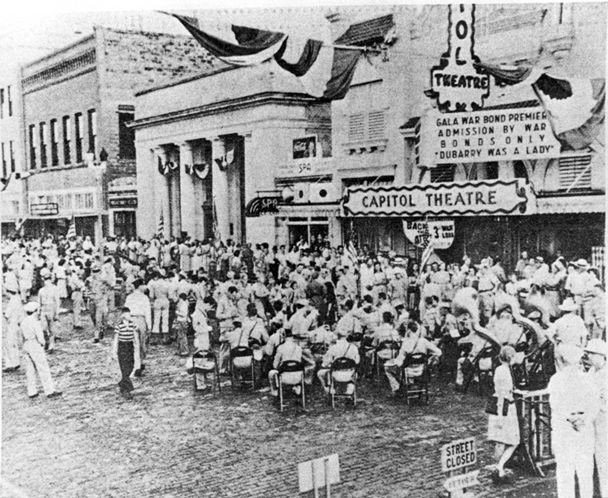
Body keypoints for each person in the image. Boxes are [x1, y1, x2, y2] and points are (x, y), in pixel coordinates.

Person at [549, 344, 600, 498]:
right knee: (585, 473)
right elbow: (595, 404)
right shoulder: (588, 379)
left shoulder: (556, 379)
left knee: (565, 474)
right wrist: (584, 418)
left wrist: (570, 418)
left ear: (560, 360)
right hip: (584, 427)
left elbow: (555, 405)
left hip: (565, 428)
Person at [487, 345, 520, 482]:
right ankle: (499, 466)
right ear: (510, 357)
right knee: (513, 441)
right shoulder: (504, 371)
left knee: (500, 441)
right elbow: (502, 394)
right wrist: (501, 416)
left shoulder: (501, 369)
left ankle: (497, 467)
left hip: (500, 407)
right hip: (505, 409)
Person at [384, 321, 442, 397]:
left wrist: (392, 362)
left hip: (408, 370)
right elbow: (439, 352)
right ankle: (409, 384)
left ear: (408, 330)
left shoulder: (406, 342)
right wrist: (430, 360)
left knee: (387, 368)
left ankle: (396, 389)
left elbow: (400, 360)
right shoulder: (423, 341)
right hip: (422, 369)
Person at [20, 302, 62, 399]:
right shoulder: (35, 322)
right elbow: (40, 338)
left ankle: (32, 391)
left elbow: (21, 336)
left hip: (26, 344)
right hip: (35, 344)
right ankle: (49, 390)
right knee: (43, 368)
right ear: (35, 311)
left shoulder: (23, 322)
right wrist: (43, 345)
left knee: (30, 369)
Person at [584, 339, 607, 497]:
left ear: (602, 356)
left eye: (592, 354)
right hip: (592, 422)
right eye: (589, 354)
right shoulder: (591, 372)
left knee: (604, 458)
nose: (589, 357)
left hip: (604, 420)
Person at [316, 328, 360, 394]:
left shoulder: (334, 347)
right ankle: (349, 389)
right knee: (353, 374)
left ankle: (329, 389)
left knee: (320, 373)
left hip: (336, 374)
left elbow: (325, 363)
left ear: (337, 336)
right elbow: (357, 361)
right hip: (350, 374)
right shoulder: (354, 347)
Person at [112, 307, 141, 399]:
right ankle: (126, 389)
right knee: (124, 367)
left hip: (130, 346)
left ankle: (122, 383)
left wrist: (137, 346)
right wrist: (114, 350)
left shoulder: (132, 324)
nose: (129, 316)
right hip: (122, 347)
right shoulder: (119, 326)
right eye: (127, 314)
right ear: (123, 316)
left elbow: (135, 335)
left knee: (131, 365)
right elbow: (116, 338)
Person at [124, 279, 151, 375]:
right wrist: (149, 325)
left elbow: (125, 311)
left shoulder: (129, 297)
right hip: (141, 320)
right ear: (140, 286)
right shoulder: (144, 298)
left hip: (131, 320)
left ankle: (137, 364)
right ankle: (141, 362)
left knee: (134, 343)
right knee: (142, 342)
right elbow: (148, 312)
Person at [268, 326, 303, 398]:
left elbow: (275, 365)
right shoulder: (299, 348)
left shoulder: (281, 348)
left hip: (285, 377)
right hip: (298, 377)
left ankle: (275, 390)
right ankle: (297, 386)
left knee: (271, 373)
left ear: (283, 336)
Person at [37, 275, 60, 352]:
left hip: (51, 308)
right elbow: (39, 302)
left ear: (51, 280)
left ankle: (51, 345)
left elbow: (57, 301)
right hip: (44, 309)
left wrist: (57, 313)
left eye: (48, 279)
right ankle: (47, 341)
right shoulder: (41, 290)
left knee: (51, 328)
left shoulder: (55, 289)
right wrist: (38, 312)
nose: (47, 282)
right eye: (45, 280)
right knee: (43, 328)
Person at [3, 286, 24, 372]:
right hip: (17, 324)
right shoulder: (18, 299)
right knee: (13, 343)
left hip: (12, 324)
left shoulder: (12, 302)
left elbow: (7, 315)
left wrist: (4, 314)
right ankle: (16, 362)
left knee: (8, 344)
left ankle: (10, 363)